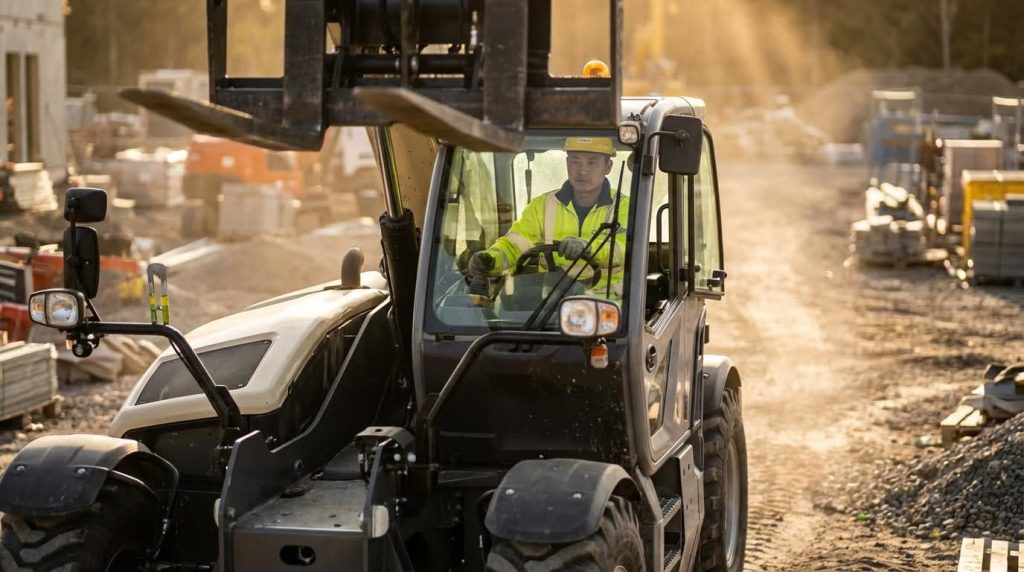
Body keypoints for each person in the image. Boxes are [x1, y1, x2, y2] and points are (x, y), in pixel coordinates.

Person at [468, 136, 629, 297]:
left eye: (592, 162)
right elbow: (514, 245)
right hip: (550, 306)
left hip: (608, 307)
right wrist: (491, 259)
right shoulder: (542, 206)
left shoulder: (624, 207)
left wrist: (588, 248)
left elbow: (624, 249)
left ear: (608, 166)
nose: (582, 170)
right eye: (575, 161)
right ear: (567, 164)